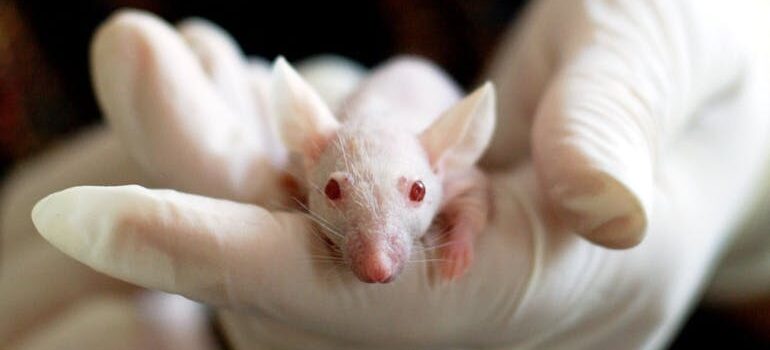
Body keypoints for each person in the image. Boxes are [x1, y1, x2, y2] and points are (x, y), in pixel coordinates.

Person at [6, 0, 770, 348]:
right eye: (331, 193)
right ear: (306, 149)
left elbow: (464, 194)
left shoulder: (450, 164)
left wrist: (748, 206)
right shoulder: (314, 153)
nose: (377, 264)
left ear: (451, 151)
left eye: (417, 197)